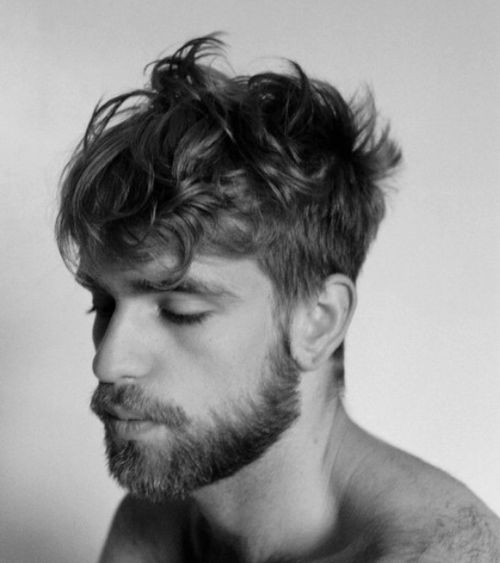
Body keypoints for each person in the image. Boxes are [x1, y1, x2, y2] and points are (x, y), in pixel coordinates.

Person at [56, 35, 500, 562]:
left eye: (180, 311)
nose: (108, 362)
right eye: (104, 305)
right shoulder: (158, 521)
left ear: (317, 321)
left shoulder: (439, 554)